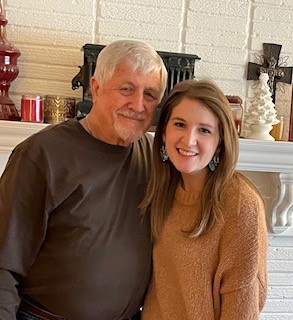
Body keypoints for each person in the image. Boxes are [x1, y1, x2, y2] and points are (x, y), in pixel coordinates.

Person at [0, 39, 167, 320]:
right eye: (126, 89)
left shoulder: (155, 159)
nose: (138, 105)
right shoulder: (42, 154)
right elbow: (3, 262)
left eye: (150, 94)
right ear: (96, 87)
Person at [140, 79, 268, 319]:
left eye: (204, 130)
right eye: (180, 124)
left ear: (220, 143)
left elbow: (242, 308)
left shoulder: (240, 205)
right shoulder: (163, 191)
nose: (188, 140)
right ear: (164, 131)